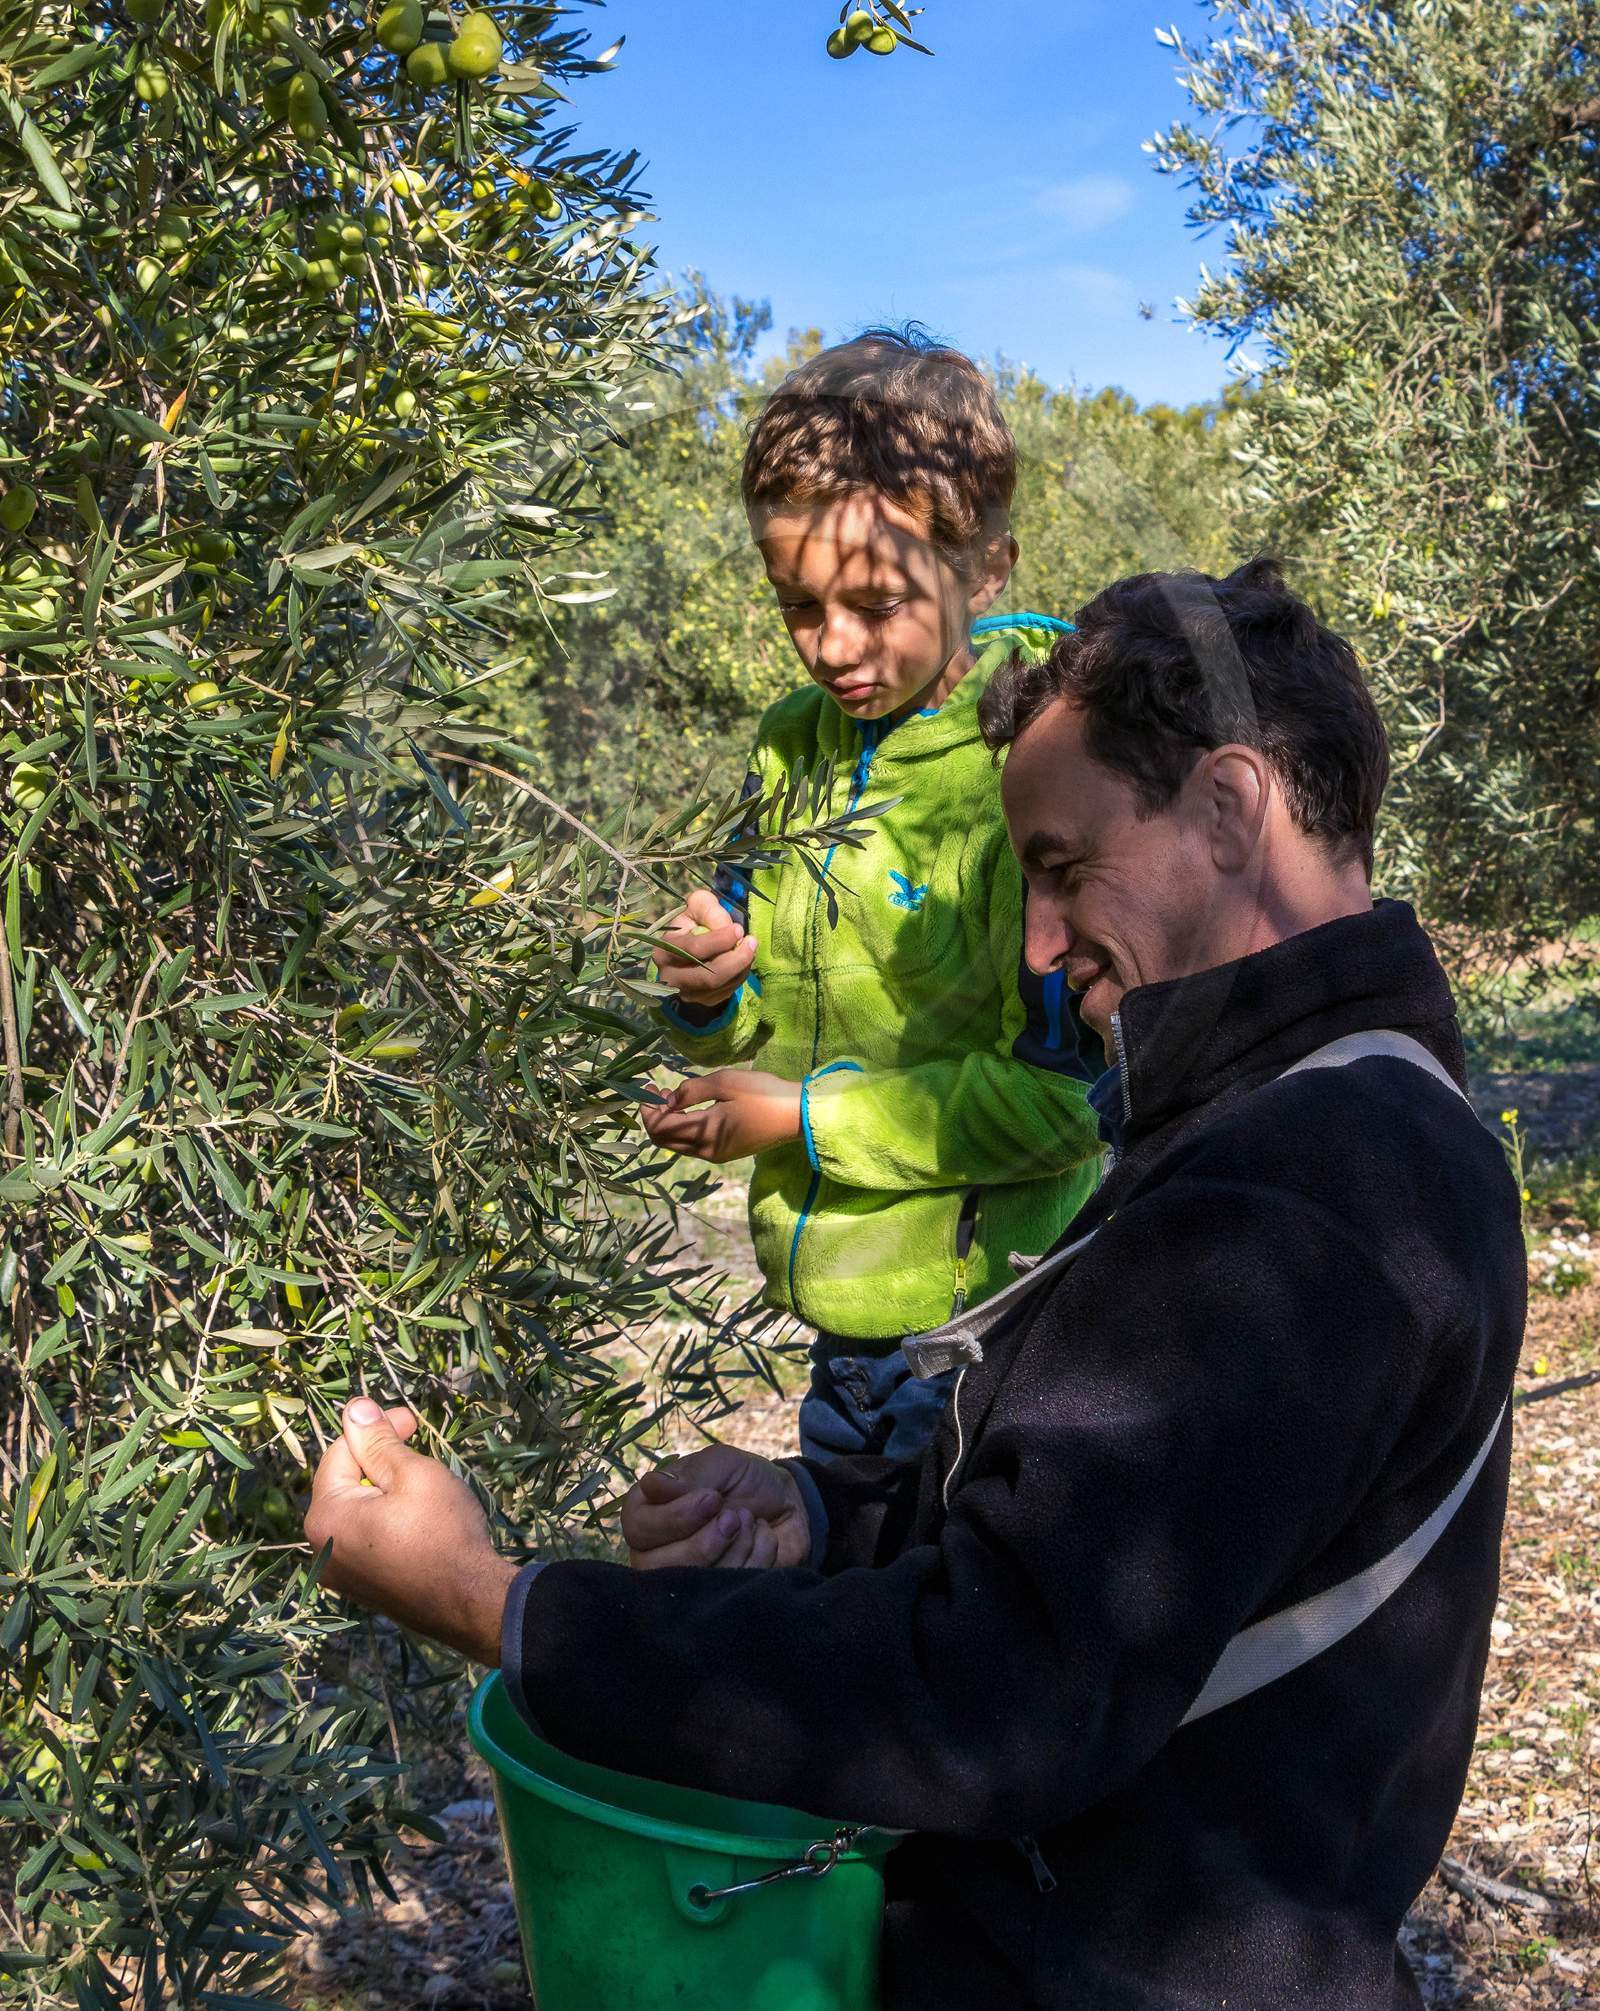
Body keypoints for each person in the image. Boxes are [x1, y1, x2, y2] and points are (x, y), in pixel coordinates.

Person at [305, 559, 1524, 2011]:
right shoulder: (1362, 1107)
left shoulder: (1301, 1187)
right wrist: (828, 1513)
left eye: (1065, 866)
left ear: (1231, 805)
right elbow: (1150, 1533)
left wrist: (496, 1601)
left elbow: (996, 1693)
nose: (1037, 940)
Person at [640, 328, 1103, 1460]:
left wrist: (797, 1118)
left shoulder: (1026, 775)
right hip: (840, 1318)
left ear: (984, 569)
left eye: (876, 600)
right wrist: (707, 1000)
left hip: (981, 1328)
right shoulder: (791, 748)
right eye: (798, 604)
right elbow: (754, 991)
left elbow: (1066, 1104)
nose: (832, 648)